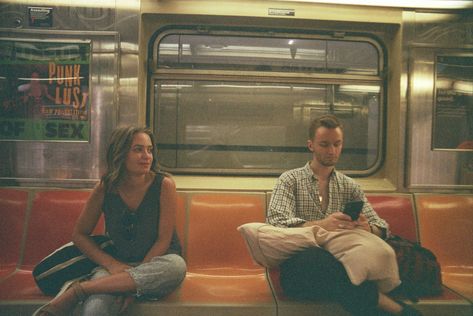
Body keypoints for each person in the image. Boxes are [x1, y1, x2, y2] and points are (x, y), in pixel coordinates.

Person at [267, 114, 421, 316]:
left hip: (344, 266)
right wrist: (323, 224)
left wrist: (369, 228)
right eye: (324, 144)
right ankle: (394, 307)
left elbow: (381, 226)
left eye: (337, 144)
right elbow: (276, 222)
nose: (331, 151)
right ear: (311, 145)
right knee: (316, 259)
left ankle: (388, 308)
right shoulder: (290, 180)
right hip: (302, 267)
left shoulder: (349, 186)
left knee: (343, 269)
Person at [34, 126, 187, 315]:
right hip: (117, 263)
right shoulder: (106, 187)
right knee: (95, 308)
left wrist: (133, 282)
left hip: (157, 264)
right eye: (138, 149)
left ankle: (79, 290)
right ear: (121, 153)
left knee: (177, 266)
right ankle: (98, 287)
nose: (147, 156)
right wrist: (112, 265)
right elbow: (79, 234)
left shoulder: (164, 185)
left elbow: (163, 240)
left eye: (149, 150)